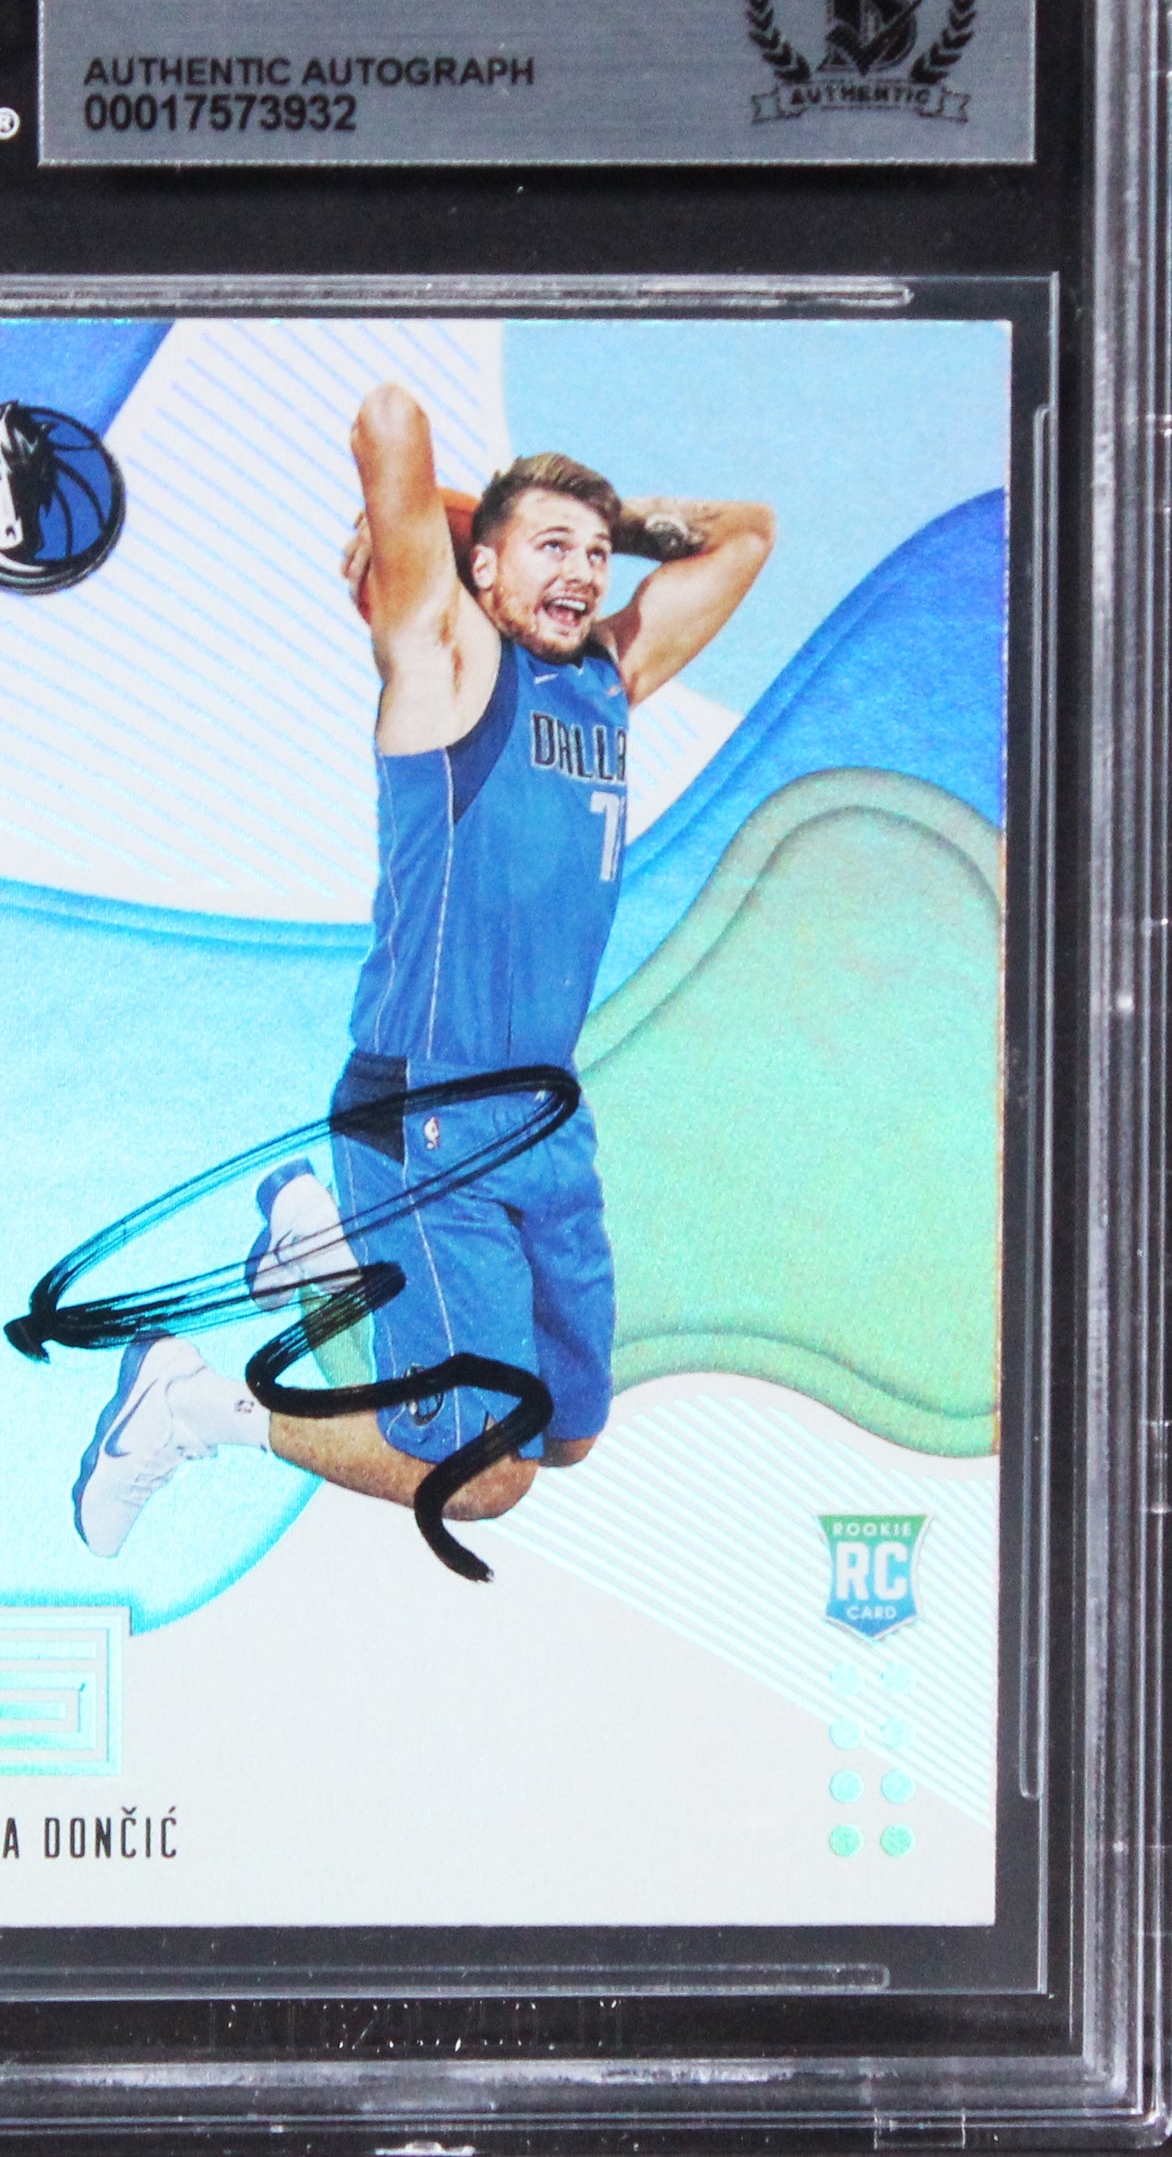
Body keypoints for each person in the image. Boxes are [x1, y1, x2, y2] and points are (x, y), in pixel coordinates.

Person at [73, 383, 774, 1559]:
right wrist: (472, 518)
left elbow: (747, 535)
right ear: (478, 570)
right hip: (427, 1115)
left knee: (570, 1433)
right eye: (552, 548)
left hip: (543, 1117)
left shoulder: (607, 678)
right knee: (489, 1476)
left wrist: (569, 525)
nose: (584, 571)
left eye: (597, 555)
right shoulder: (446, 664)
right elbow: (389, 421)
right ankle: (190, 1405)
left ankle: (327, 1252)